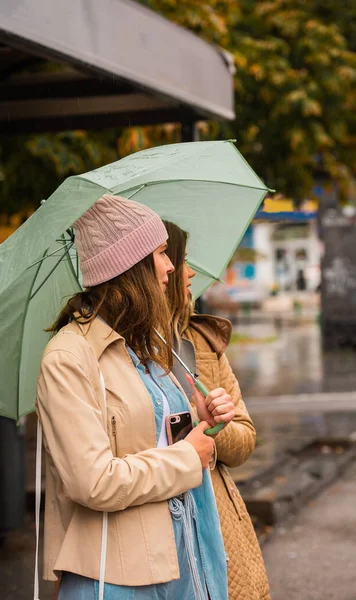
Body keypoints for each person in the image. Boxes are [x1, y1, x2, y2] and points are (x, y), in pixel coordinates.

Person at [36, 194, 231, 600]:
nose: (171, 266)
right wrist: (187, 456)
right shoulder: (68, 357)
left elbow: (150, 439)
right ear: (130, 268)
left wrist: (199, 421)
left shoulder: (144, 344)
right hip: (120, 576)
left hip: (183, 552)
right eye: (160, 253)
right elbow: (94, 482)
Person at [163, 220, 271, 600]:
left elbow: (244, 441)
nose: (189, 271)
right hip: (165, 525)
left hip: (224, 523)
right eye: (178, 259)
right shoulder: (120, 353)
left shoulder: (201, 343)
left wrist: (217, 425)